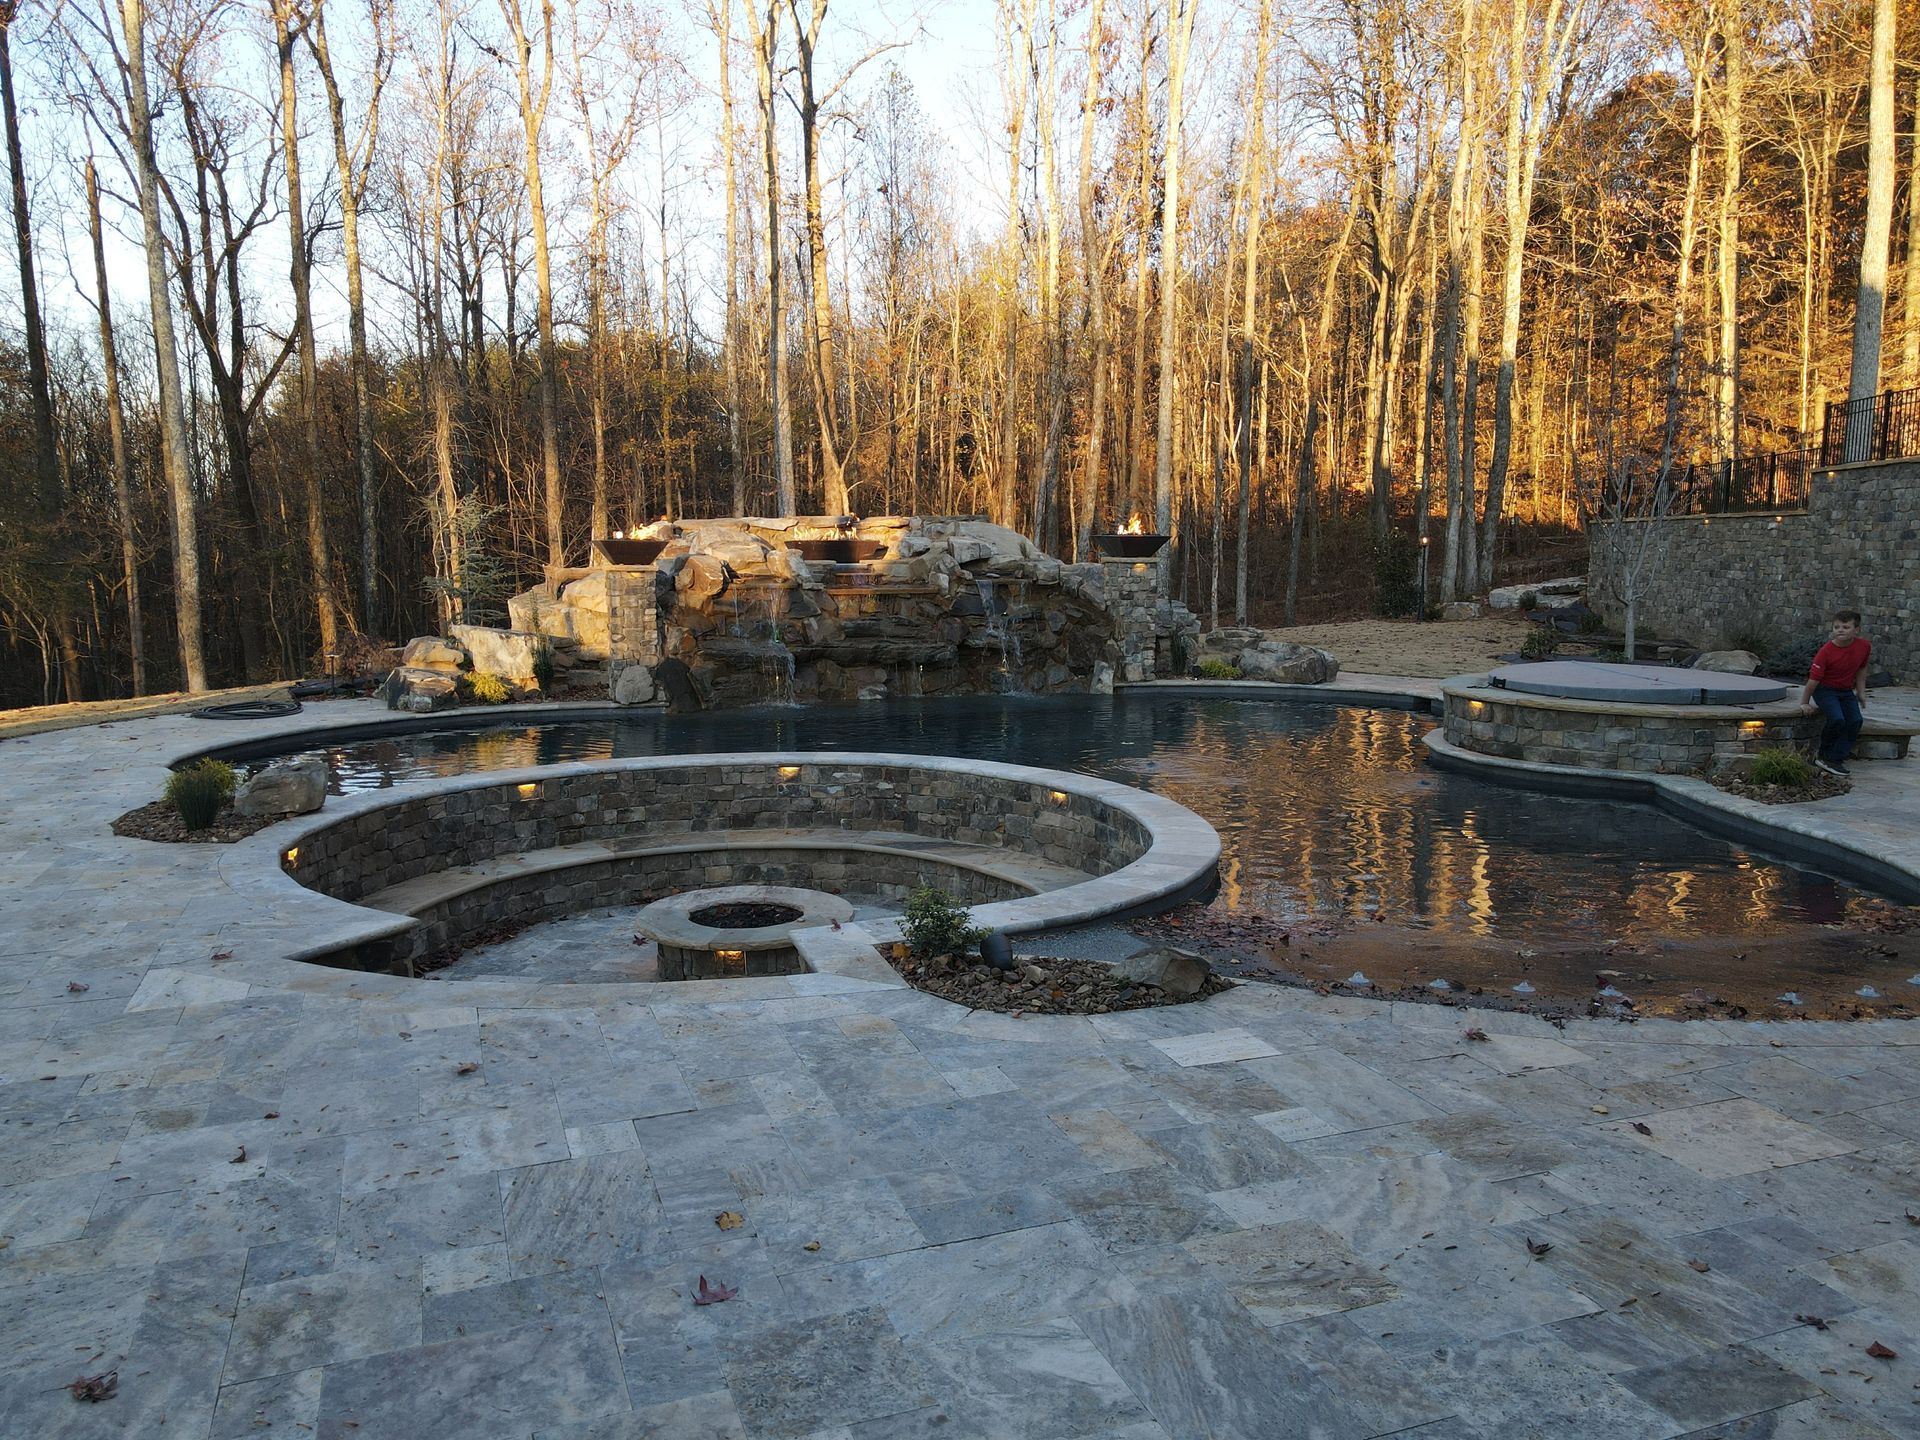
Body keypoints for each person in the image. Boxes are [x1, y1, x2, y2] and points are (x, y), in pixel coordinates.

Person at [1798, 609, 1872, 776]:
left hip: (1845, 691)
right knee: (1837, 719)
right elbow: (1812, 681)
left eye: (1845, 627)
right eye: (1836, 627)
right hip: (1824, 690)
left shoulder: (1864, 646)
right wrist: (1804, 702)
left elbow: (1861, 668)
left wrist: (1861, 692)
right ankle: (1824, 755)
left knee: (1855, 721)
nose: (1840, 630)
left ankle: (1835, 758)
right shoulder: (1826, 652)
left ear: (1856, 630)